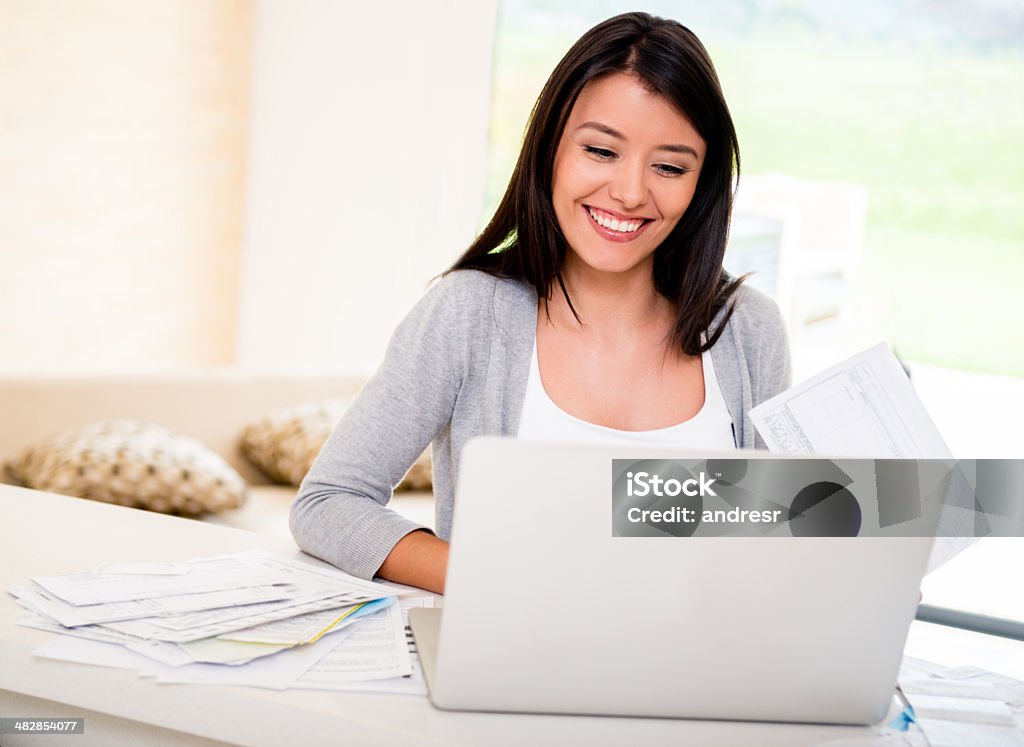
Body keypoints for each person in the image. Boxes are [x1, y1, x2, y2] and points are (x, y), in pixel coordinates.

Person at [290, 12, 790, 594]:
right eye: (602, 151)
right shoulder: (468, 315)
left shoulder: (749, 329)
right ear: (551, 147)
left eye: (670, 167)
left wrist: (860, 555)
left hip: (702, 676)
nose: (630, 193)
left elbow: (773, 536)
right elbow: (328, 503)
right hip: (512, 672)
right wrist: (495, 578)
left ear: (702, 184)